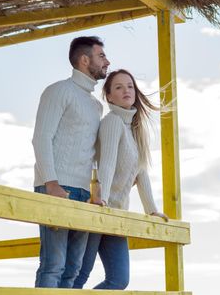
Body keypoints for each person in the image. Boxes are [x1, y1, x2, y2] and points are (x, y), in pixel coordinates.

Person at [73, 69, 168, 290]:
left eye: (130, 86)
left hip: (117, 215)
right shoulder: (113, 122)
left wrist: (152, 210)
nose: (126, 90)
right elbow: (106, 163)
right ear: (109, 96)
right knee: (80, 275)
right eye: (118, 87)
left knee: (119, 279)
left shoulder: (135, 129)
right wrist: (102, 201)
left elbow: (141, 172)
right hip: (99, 209)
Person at [32, 36, 110, 288]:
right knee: (53, 265)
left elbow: (92, 152)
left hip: (84, 193)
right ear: (84, 60)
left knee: (73, 269)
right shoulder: (58, 91)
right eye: (101, 56)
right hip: (56, 187)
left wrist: (96, 190)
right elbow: (41, 138)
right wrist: (51, 183)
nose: (107, 62)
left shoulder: (96, 105)